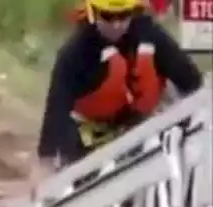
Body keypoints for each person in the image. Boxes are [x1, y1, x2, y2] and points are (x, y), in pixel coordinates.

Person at [35, 0, 204, 186]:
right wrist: (47, 162)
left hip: (139, 131)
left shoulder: (152, 36)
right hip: (89, 139)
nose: (116, 25)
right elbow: (56, 108)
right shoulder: (74, 52)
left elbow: (192, 82)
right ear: (93, 12)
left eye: (123, 16)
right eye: (108, 17)